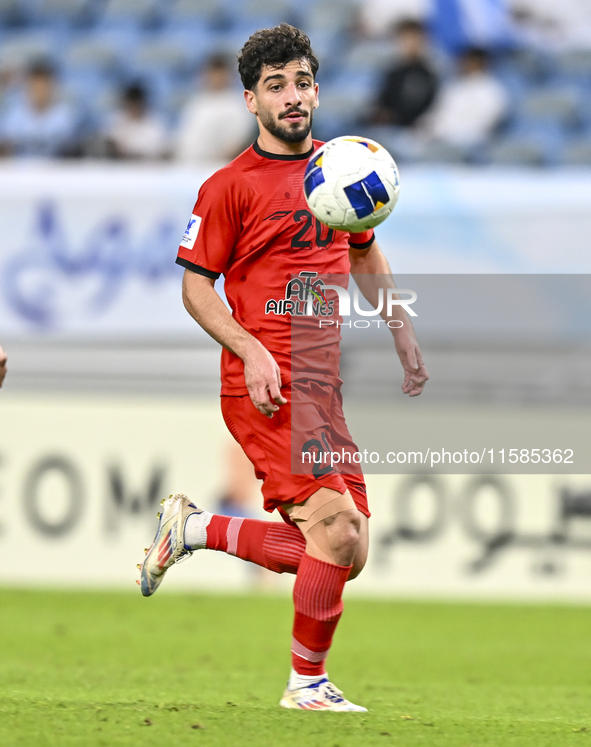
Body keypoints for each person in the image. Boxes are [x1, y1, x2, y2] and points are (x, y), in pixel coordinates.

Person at [138, 23, 428, 712]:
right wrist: (251, 348)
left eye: (300, 82)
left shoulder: (342, 168)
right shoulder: (227, 187)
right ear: (251, 101)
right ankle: (306, 684)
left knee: (344, 551)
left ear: (316, 89)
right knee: (336, 530)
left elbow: (362, 251)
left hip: (321, 384)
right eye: (275, 86)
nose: (291, 97)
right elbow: (195, 287)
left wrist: (398, 325)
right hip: (262, 381)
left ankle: (200, 529)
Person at [173, 53, 255, 165]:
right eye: (212, 73)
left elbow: (239, 142)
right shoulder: (196, 103)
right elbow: (183, 139)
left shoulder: (238, 105)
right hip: (188, 165)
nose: (215, 77)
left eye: (219, 73)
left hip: (221, 165)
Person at [421, 46, 509, 149]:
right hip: (440, 137)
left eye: (472, 61)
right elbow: (437, 113)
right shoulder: (453, 86)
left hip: (471, 141)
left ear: (483, 63)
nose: (467, 65)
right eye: (465, 61)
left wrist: (452, 131)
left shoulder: (494, 91)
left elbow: (487, 123)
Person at [0, 59, 82, 157]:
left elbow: (73, 151)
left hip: (57, 170)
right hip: (21, 169)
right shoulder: (15, 116)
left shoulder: (66, 116)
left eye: (43, 86)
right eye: (35, 86)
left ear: (52, 87)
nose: (39, 91)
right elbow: (5, 148)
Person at [366, 18, 438, 128]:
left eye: (413, 39)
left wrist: (392, 117)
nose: (409, 44)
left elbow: (421, 108)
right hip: (381, 126)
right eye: (404, 39)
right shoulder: (390, 70)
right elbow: (379, 100)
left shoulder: (427, 74)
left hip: (407, 129)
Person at [103, 82, 169, 160]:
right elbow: (109, 143)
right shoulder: (116, 120)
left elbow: (162, 149)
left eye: (137, 104)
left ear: (143, 104)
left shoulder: (155, 122)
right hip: (121, 166)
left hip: (148, 166)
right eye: (131, 104)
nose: (134, 108)